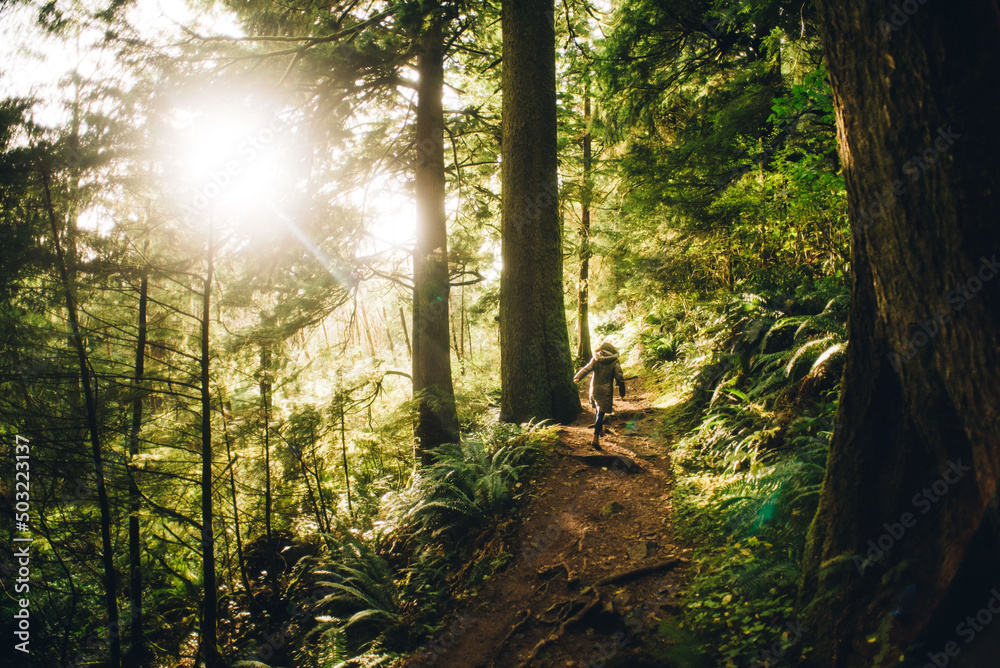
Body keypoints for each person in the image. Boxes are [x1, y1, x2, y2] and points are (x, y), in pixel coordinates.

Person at [573, 339, 626, 449]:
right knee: (600, 413)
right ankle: (595, 438)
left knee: (599, 410)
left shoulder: (596, 358)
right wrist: (622, 392)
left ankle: (600, 428)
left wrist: (578, 377)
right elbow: (619, 378)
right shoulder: (614, 361)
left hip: (595, 388)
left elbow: (587, 368)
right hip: (606, 390)